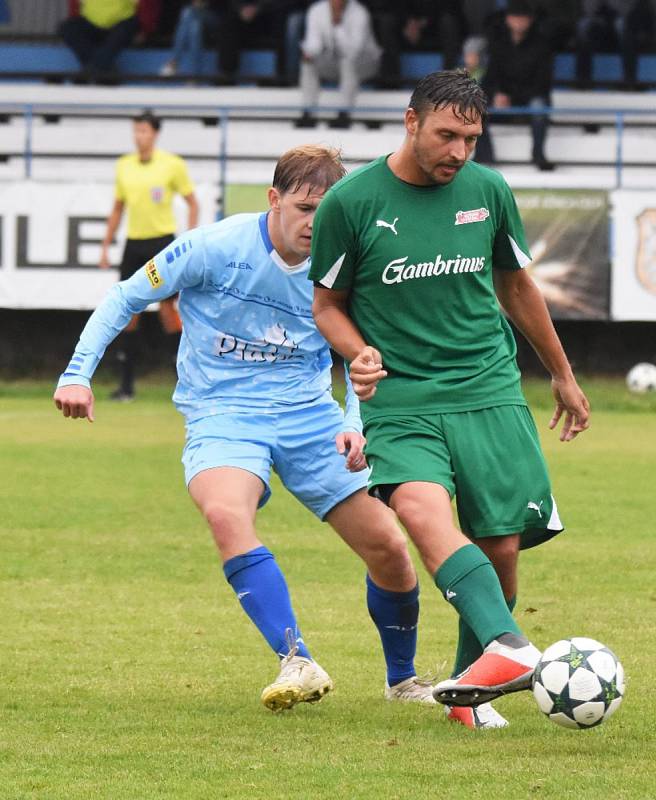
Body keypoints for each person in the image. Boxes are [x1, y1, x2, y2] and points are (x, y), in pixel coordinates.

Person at [54, 144, 435, 712]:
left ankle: (402, 681)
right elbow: (124, 296)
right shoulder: (214, 246)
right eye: (305, 208)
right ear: (274, 199)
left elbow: (364, 358)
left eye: (327, 213)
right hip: (223, 414)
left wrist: (355, 422)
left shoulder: (346, 265)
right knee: (225, 512)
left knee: (390, 548)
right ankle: (296, 659)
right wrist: (77, 374)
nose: (315, 223)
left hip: (311, 419)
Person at [309, 70, 590, 731]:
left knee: (499, 549)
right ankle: (511, 647)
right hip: (402, 397)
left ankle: (469, 697)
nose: (458, 152)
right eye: (445, 135)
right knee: (421, 511)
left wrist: (562, 373)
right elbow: (326, 306)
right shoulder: (349, 203)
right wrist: (358, 352)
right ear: (410, 122)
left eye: (470, 138)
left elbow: (517, 287)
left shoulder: (488, 191)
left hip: (487, 387)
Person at [99, 109, 199, 401]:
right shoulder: (124, 165)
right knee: (129, 311)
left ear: (154, 133)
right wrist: (106, 245)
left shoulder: (171, 165)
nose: (139, 136)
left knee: (169, 312)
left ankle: (186, 382)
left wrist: (189, 237)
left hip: (161, 244)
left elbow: (192, 202)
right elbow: (118, 208)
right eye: (136, 131)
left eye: (144, 131)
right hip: (134, 244)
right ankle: (127, 386)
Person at [474, 0, 555, 171]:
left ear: (530, 20)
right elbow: (490, 78)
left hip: (529, 97)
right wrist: (497, 94)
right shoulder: (499, 44)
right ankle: (485, 154)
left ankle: (538, 154)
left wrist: (512, 97)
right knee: (474, 105)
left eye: (523, 17)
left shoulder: (542, 45)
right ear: (508, 19)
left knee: (539, 106)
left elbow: (542, 84)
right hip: (504, 98)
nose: (519, 21)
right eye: (515, 17)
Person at [295, 0, 381, 130]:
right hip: (335, 62)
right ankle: (308, 113)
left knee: (347, 62)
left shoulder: (359, 12)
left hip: (365, 63)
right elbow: (314, 42)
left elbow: (354, 50)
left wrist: (338, 24)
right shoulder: (316, 10)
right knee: (308, 64)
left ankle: (344, 114)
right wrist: (310, 53)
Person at [58, 0, 159, 83]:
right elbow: (75, 5)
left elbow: (148, 4)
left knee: (125, 30)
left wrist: (145, 29)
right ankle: (105, 69)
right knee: (67, 28)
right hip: (90, 23)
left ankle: (91, 71)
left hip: (122, 22)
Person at [369, 0, 463, 88]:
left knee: (449, 22)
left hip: (434, 24)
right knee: (387, 21)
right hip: (406, 24)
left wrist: (424, 21)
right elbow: (393, 4)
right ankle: (391, 77)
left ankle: (448, 78)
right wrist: (407, 21)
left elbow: (450, 6)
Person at [574, 0, 655, 89]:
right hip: (606, 33)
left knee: (624, 29)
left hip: (630, 33)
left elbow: (637, 16)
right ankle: (583, 80)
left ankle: (629, 80)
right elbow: (590, 11)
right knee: (586, 31)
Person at [159, 0, 225, 78]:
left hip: (214, 17)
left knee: (188, 15)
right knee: (194, 25)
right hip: (194, 16)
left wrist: (205, 3)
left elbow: (223, 5)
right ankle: (194, 74)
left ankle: (174, 61)